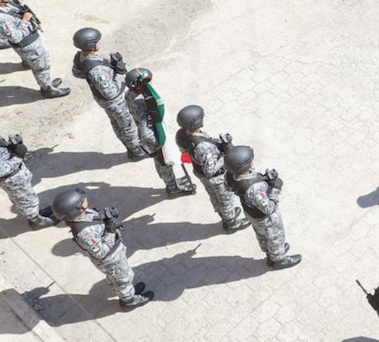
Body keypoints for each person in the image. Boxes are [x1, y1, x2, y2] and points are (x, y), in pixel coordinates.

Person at [50, 188, 154, 309]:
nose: (85, 199)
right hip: (111, 260)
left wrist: (106, 219)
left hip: (115, 254)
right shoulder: (85, 233)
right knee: (123, 279)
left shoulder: (83, 214)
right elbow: (101, 252)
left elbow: (96, 226)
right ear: (76, 210)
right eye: (81, 201)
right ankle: (129, 300)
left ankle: (126, 290)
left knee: (119, 278)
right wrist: (110, 230)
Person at [0, 0, 68, 99]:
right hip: (28, 45)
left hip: (31, 39)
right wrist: (25, 21)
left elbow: (11, 5)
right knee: (41, 66)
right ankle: (47, 88)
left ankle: (46, 81)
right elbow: (15, 37)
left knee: (41, 64)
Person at [223, 145, 302, 270]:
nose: (252, 162)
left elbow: (230, 187)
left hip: (251, 213)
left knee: (261, 234)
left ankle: (270, 252)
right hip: (266, 218)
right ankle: (278, 259)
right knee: (275, 236)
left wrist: (264, 179)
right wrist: (276, 187)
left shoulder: (229, 176)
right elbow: (269, 208)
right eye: (250, 161)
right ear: (244, 166)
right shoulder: (254, 188)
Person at [0, 109, 54, 229]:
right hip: (12, 179)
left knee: (29, 197)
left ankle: (37, 213)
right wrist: (18, 157)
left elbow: (0, 150)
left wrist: (12, 146)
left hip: (17, 174)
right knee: (24, 200)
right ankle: (36, 221)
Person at [173, 105, 249, 233]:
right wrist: (225, 153)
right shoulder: (203, 147)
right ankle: (231, 223)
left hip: (199, 171)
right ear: (195, 122)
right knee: (225, 199)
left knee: (214, 196)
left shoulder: (182, 134)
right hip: (216, 178)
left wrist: (219, 143)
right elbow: (210, 170)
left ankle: (225, 215)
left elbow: (190, 148)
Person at [72, 27, 147, 156]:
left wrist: (112, 66)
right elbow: (110, 92)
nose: (99, 43)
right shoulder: (97, 70)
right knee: (127, 126)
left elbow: (77, 73)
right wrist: (118, 73)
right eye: (97, 41)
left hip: (103, 100)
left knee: (117, 123)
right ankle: (136, 151)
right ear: (91, 45)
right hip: (115, 102)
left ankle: (130, 147)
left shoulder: (80, 57)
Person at [125, 68, 196, 198]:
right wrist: (160, 143)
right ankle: (173, 188)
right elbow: (146, 128)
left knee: (163, 163)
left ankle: (172, 183)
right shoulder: (141, 100)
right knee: (164, 164)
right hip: (153, 137)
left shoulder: (130, 95)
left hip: (151, 132)